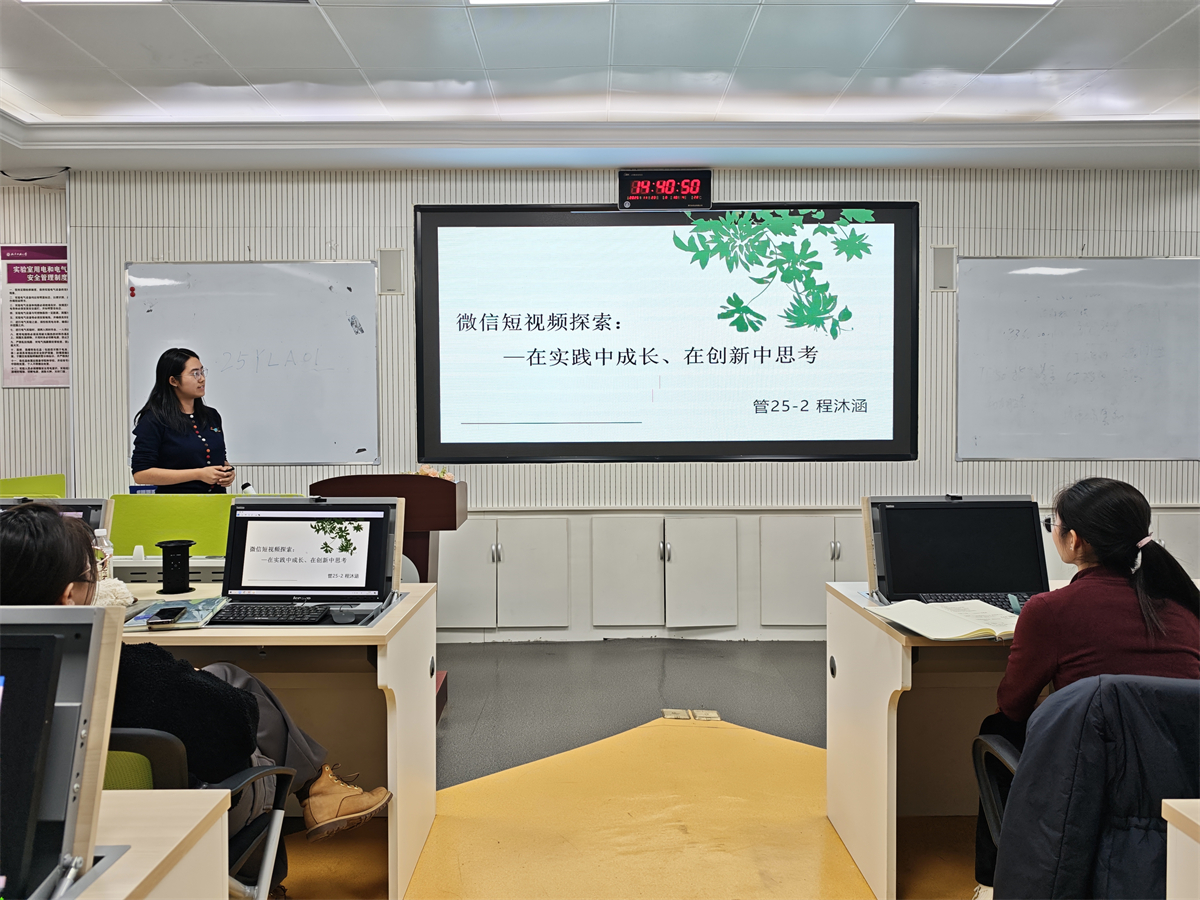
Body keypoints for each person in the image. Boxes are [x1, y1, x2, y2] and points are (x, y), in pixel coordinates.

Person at [0, 501, 392, 853]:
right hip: (175, 820)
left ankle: (319, 788)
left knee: (225, 675)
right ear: (69, 596)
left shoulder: (26, 673)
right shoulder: (136, 671)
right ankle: (316, 789)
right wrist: (192, 683)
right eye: (92, 577)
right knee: (237, 693)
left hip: (32, 830)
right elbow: (234, 739)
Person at [973, 478, 1200, 895]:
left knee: (999, 725)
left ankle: (995, 882)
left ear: (1074, 540)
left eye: (1054, 525)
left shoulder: (1049, 609)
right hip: (1183, 779)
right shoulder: (1184, 606)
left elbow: (1014, 704)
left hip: (1092, 779)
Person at [132, 347, 234, 494]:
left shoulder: (211, 416)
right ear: (173, 381)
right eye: (195, 374)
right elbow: (141, 474)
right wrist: (198, 474)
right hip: (177, 504)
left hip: (217, 502)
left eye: (202, 372)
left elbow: (219, 458)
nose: (202, 379)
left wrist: (227, 471)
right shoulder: (154, 419)